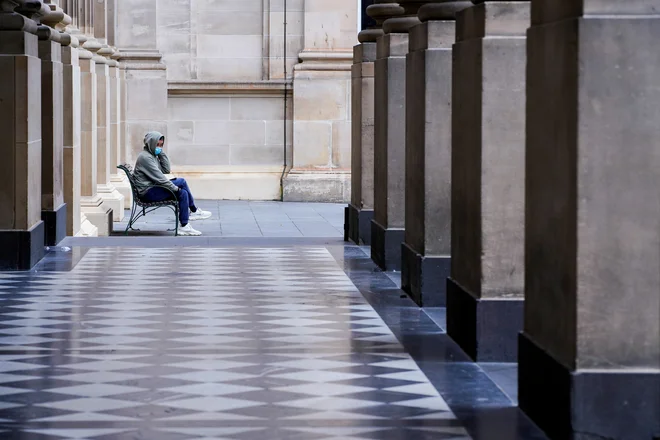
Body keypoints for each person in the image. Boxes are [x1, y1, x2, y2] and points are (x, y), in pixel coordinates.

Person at [133, 131, 211, 236]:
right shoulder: (145, 158)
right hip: (147, 192)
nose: (159, 147)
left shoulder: (152, 156)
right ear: (151, 143)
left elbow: (166, 169)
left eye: (161, 145)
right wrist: (175, 188)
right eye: (157, 145)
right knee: (181, 183)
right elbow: (161, 178)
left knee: (183, 193)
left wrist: (160, 153)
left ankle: (185, 225)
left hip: (152, 188)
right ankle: (192, 212)